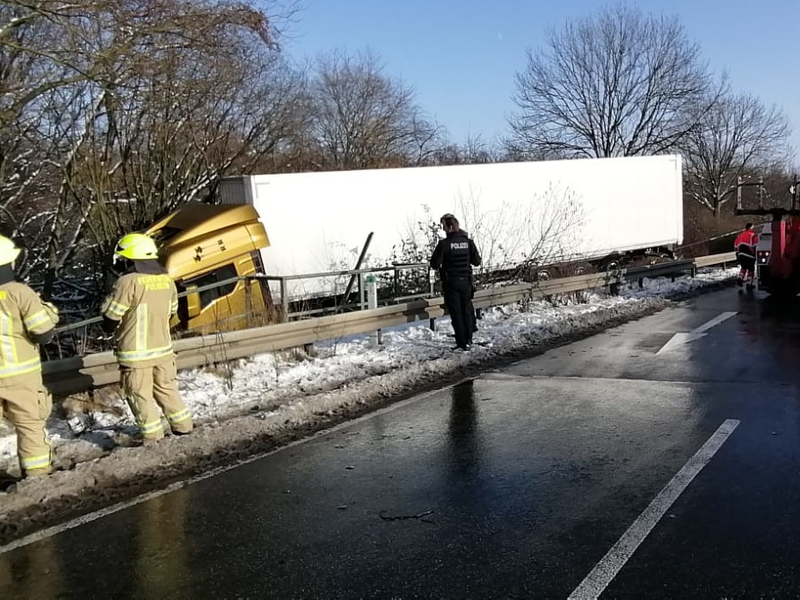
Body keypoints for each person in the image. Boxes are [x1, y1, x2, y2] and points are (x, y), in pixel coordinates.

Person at [101, 233, 193, 444]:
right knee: (167, 389)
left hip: (136, 354)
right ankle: (184, 427)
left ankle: (153, 436)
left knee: (139, 394)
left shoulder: (127, 282)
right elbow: (172, 311)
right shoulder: (167, 280)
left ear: (130, 258)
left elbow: (111, 318)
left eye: (123, 259)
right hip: (164, 350)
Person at [0, 235, 60, 477]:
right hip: (20, 376)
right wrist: (49, 312)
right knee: (30, 426)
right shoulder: (19, 293)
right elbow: (44, 334)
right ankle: (37, 477)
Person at [430, 214, 482, 350]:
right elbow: (477, 262)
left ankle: (461, 343)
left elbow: (434, 264)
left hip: (451, 283)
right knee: (467, 310)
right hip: (466, 282)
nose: (443, 229)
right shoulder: (468, 242)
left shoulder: (444, 244)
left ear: (450, 227)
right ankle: (469, 339)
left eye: (444, 226)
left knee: (456, 313)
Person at [733, 223, 758, 289]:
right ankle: (749, 284)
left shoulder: (740, 236)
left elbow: (735, 245)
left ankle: (740, 277)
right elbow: (756, 245)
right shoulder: (753, 235)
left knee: (743, 267)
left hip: (741, 254)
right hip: (749, 254)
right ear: (751, 227)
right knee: (751, 269)